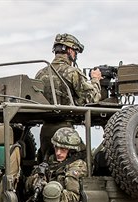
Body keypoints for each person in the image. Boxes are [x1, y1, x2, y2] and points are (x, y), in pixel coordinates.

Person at [35, 33, 102, 161]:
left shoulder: (40, 73)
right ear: (71, 51)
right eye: (75, 52)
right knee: (86, 160)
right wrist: (95, 80)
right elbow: (93, 98)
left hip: (45, 132)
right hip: (65, 132)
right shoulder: (72, 72)